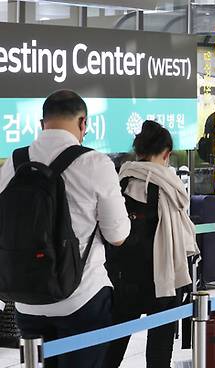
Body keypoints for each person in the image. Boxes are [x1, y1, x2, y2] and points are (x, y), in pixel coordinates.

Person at [0, 90, 130, 367]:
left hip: (26, 298)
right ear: (83, 123)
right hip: (82, 298)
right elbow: (117, 236)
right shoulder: (95, 163)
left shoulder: (14, 162)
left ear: (41, 123)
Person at [104, 121, 199, 368]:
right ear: (166, 154)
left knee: (113, 346)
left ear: (138, 151)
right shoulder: (171, 186)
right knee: (159, 350)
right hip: (163, 277)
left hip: (123, 277)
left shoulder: (120, 181)